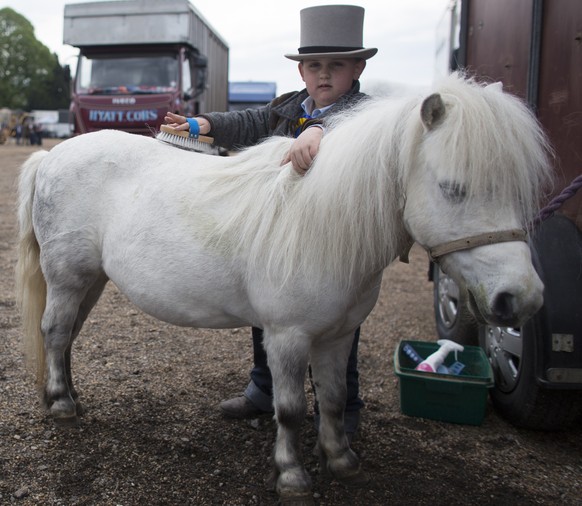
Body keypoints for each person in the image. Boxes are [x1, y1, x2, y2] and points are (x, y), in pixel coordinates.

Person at [164, 4, 377, 440]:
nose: (323, 75)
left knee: (338, 328)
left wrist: (317, 129)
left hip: (331, 248)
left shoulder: (367, 116)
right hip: (280, 235)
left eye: (335, 66)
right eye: (313, 66)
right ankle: (264, 390)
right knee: (269, 316)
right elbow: (250, 122)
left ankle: (340, 407)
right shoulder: (287, 106)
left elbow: (350, 133)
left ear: (357, 67)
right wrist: (202, 122)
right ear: (301, 72)